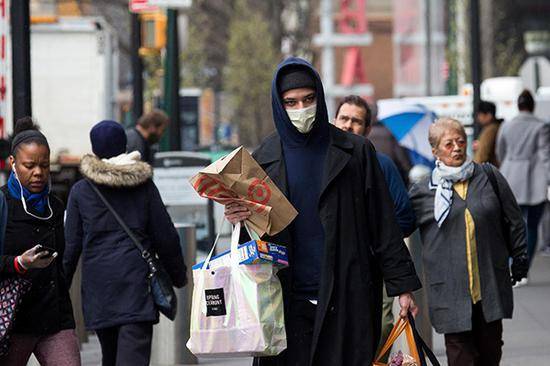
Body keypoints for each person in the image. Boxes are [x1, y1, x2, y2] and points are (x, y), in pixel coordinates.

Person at [225, 57, 421, 366]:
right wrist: (239, 218)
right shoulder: (263, 158)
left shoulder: (355, 152)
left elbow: (382, 224)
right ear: (279, 105)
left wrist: (403, 287)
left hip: (347, 296)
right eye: (291, 102)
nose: (301, 108)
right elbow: (252, 244)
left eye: (308, 99)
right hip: (285, 303)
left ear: (320, 97)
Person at [64, 120, 187, 366]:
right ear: (124, 145)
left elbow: (71, 246)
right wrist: (177, 276)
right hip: (136, 287)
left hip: (100, 290)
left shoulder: (81, 190)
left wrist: (61, 289)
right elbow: (165, 235)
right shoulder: (142, 185)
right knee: (133, 357)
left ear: (95, 149)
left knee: (110, 356)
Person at [409, 118, 528, 366]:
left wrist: (519, 258)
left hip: (489, 289)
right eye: (448, 143)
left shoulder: (488, 176)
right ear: (435, 151)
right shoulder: (423, 191)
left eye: (461, 141)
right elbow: (397, 229)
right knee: (460, 357)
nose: (456, 147)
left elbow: (514, 220)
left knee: (490, 354)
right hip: (450, 294)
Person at [334, 94, 416, 361]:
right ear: (334, 122)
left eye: (356, 121)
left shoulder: (382, 165)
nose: (348, 125)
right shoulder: (321, 164)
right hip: (331, 270)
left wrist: (375, 242)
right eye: (343, 119)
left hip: (372, 268)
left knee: (377, 326)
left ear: (367, 130)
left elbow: (404, 216)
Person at [0, 118, 81, 365]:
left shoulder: (55, 206)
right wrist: (18, 263)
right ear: (12, 163)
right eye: (29, 165)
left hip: (55, 318)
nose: (38, 172)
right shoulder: (2, 204)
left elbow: (64, 258)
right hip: (13, 320)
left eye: (44, 166)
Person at [496, 90, 550, 279]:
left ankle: (512, 262)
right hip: (534, 180)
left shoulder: (507, 126)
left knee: (511, 224)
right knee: (532, 226)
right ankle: (523, 268)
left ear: (518, 106)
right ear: (532, 106)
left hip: (510, 177)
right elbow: (545, 156)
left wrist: (507, 167)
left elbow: (500, 151)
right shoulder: (541, 127)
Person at [473, 101, 502, 166]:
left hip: (491, 170)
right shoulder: (499, 127)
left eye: (480, 115)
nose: (478, 118)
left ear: (489, 115)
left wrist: (474, 171)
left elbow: (481, 156)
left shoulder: (490, 130)